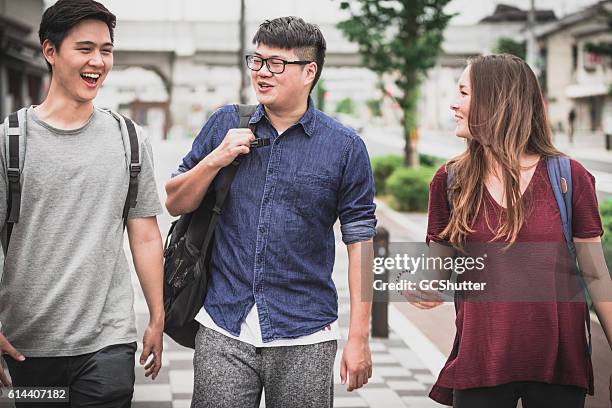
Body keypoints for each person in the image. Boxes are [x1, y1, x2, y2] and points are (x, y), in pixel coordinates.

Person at [165, 16, 376, 408]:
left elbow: (361, 240)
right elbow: (175, 201)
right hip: (222, 324)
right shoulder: (226, 123)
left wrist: (359, 337)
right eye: (257, 60)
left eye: (276, 63)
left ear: (309, 71)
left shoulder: (345, 148)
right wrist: (216, 159)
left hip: (305, 333)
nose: (262, 72)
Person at [414, 54, 612, 407]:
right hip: (480, 363)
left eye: (464, 93)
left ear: (496, 100)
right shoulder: (450, 181)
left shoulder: (569, 178)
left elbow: (597, 276)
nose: (454, 104)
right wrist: (420, 286)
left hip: (558, 367)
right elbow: (436, 274)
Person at [0, 1, 165, 406]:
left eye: (106, 50)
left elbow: (144, 236)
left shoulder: (129, 139)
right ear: (50, 51)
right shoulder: (10, 141)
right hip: (29, 344)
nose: (98, 61)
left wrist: (157, 315)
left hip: (108, 341)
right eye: (85, 48)